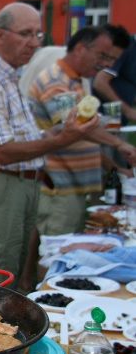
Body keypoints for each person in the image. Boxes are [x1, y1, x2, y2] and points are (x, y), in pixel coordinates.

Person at [0, 2, 99, 286]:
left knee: (12, 270)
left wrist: (61, 131)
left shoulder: (9, 74)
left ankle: (6, 326)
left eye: (38, 35)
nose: (34, 43)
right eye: (25, 34)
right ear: (0, 35)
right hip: (2, 185)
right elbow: (3, 152)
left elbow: (22, 138)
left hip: (20, 184)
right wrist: (61, 139)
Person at [29, 25, 135, 237]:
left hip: (72, 188)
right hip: (60, 187)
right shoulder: (56, 81)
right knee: (55, 252)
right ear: (80, 49)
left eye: (110, 59)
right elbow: (78, 129)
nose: (106, 64)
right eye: (102, 56)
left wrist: (116, 169)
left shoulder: (75, 81)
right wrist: (119, 144)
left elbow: (85, 139)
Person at [93, 38, 136, 123]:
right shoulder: (126, 45)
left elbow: (126, 85)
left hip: (119, 119)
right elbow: (99, 83)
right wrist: (128, 111)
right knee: (111, 135)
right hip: (105, 115)